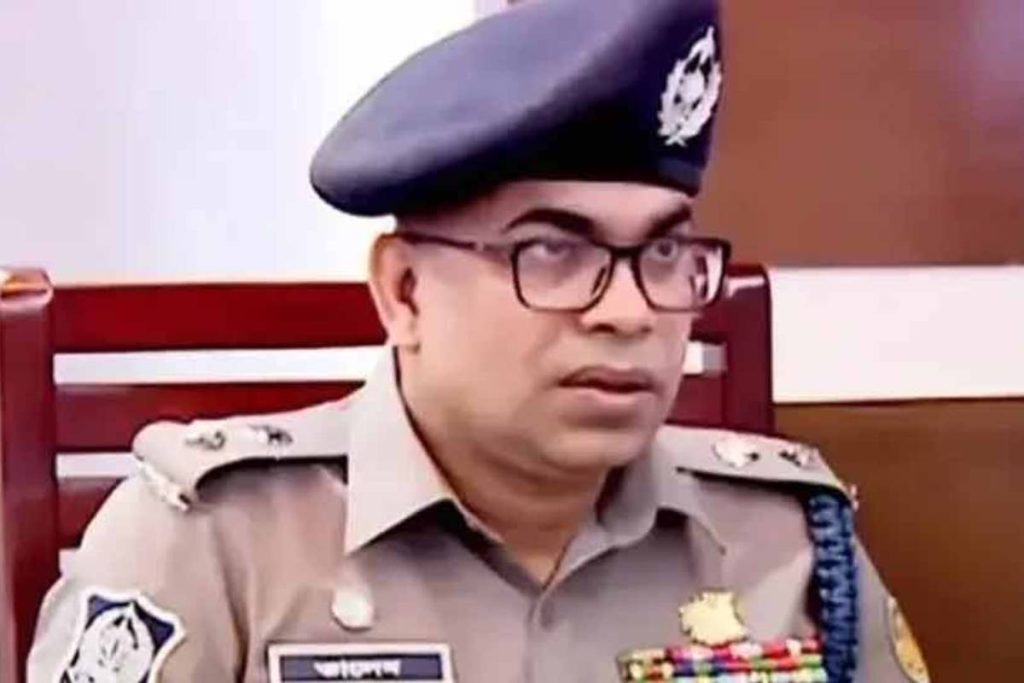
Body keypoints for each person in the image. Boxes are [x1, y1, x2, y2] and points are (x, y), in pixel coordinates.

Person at [28, 0, 930, 681]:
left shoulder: (788, 542)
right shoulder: (214, 546)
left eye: (662, 252)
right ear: (405, 292)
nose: (629, 312)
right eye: (553, 251)